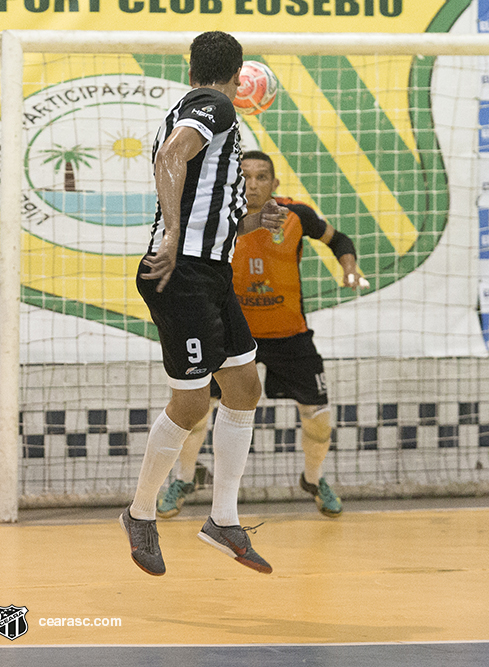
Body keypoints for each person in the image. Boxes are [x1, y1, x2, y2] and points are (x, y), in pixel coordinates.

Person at [120, 32, 287, 577]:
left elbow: (204, 199)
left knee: (243, 387)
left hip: (209, 271)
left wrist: (254, 220)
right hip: (181, 271)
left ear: (192, 66)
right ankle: (140, 514)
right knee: (192, 406)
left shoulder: (199, 109)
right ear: (238, 76)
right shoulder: (213, 106)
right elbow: (172, 157)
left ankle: (223, 518)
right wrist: (170, 234)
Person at [155, 151, 363, 521]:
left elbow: (340, 239)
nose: (253, 184)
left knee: (319, 417)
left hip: (289, 335)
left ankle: (313, 480)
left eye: (262, 177)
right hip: (231, 332)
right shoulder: (218, 219)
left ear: (274, 183)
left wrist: (349, 268)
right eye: (245, 176)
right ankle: (186, 479)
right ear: (235, 180)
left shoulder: (297, 214)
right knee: (198, 411)